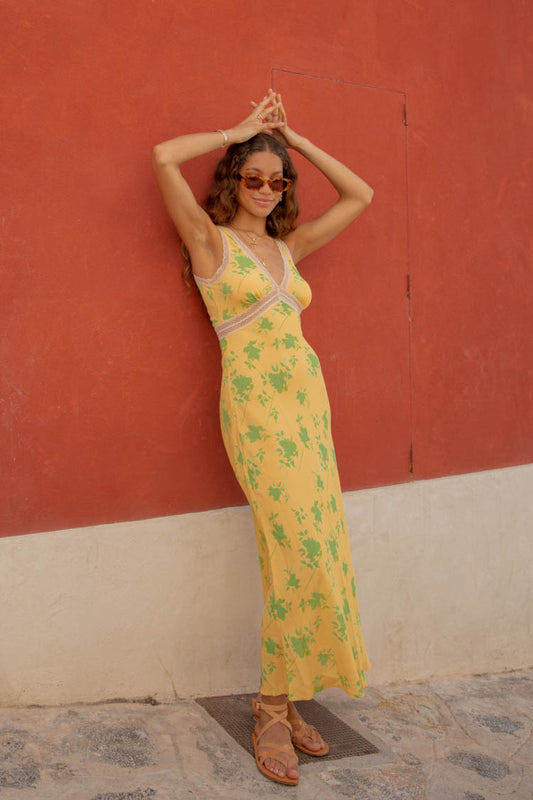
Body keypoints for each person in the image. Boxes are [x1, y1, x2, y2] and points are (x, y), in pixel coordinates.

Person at [152, 89, 373, 786]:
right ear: (233, 179)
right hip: (256, 415)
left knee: (321, 550)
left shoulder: (287, 247)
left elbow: (361, 195)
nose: (266, 189)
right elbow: (162, 157)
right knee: (293, 553)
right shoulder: (209, 241)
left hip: (309, 411)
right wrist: (239, 130)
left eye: (278, 181)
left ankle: (285, 695)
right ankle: (271, 709)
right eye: (254, 176)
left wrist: (293, 140)